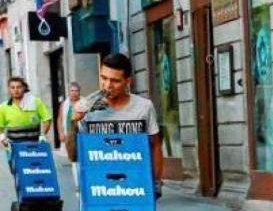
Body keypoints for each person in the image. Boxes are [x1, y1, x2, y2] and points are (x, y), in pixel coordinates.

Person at [72, 54, 164, 197]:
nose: (108, 85)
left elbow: (155, 145)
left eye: (115, 81)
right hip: (101, 185)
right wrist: (73, 123)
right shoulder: (86, 108)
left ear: (127, 81)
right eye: (104, 78)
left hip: (135, 184)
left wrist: (156, 183)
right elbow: (74, 154)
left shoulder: (143, 107)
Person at [0, 77, 53, 170]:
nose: (16, 90)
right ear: (9, 89)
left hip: (34, 145)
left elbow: (47, 119)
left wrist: (43, 135)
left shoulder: (35, 102)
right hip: (13, 147)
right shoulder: (3, 107)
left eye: (18, 87)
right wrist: (2, 138)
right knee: (18, 174)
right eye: (12, 87)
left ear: (24, 88)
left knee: (35, 172)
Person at [57, 82, 81, 190]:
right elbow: (60, 119)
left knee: (83, 158)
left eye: (76, 91)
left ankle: (83, 181)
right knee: (73, 159)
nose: (74, 93)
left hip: (82, 134)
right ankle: (77, 183)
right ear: (69, 92)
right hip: (69, 135)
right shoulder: (65, 104)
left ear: (79, 92)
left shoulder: (84, 102)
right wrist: (61, 132)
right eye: (72, 91)